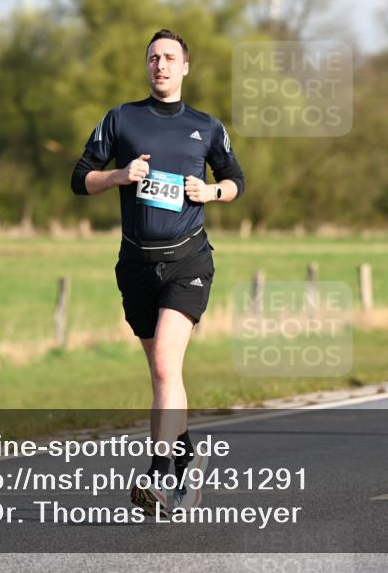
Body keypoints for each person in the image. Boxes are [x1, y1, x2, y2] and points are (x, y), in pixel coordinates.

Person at [71, 29, 245, 513]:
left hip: (188, 260)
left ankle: (159, 475)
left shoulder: (206, 126)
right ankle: (189, 456)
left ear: (185, 66)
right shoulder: (121, 118)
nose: (160, 65)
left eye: (169, 58)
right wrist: (119, 176)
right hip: (136, 265)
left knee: (168, 365)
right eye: (152, 58)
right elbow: (79, 179)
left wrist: (209, 193)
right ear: (145, 67)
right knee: (162, 374)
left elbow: (236, 181)